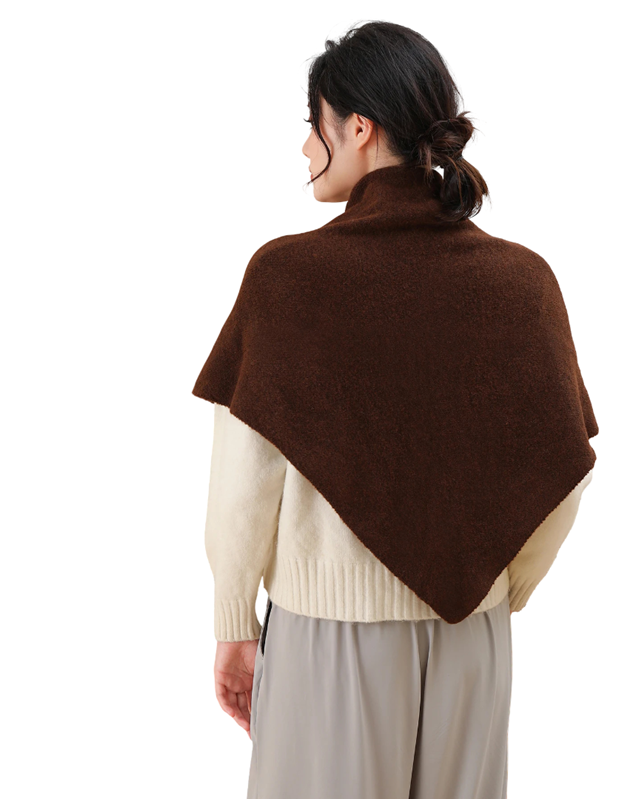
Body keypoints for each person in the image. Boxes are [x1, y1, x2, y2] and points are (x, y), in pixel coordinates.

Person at [194, 20, 597, 799]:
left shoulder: (287, 278)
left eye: (313, 124)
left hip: (328, 638)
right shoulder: (524, 282)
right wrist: (495, 587)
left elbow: (246, 478)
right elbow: (565, 468)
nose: (305, 148)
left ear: (358, 127)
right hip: (474, 642)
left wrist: (234, 620)